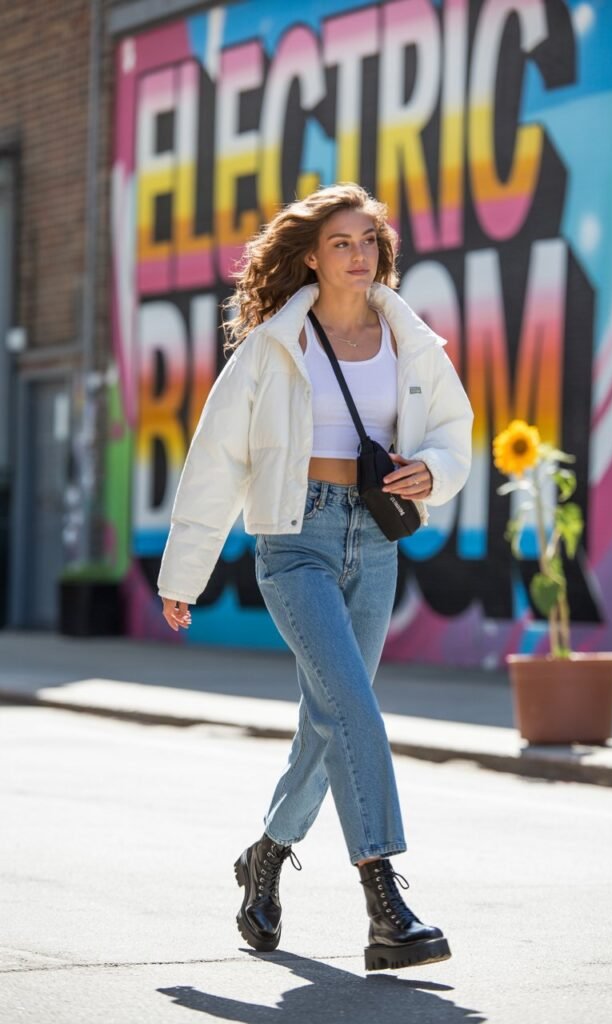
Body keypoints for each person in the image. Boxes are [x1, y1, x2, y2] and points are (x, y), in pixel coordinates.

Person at [157, 183, 473, 972]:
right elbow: (216, 461)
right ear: (310, 256)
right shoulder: (274, 345)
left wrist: (432, 472)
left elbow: (453, 432)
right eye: (342, 241)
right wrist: (185, 571)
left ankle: (263, 857)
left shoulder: (412, 342)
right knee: (355, 707)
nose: (360, 252)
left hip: (376, 540)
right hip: (294, 537)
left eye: (369, 239)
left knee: (329, 718)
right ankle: (383, 901)